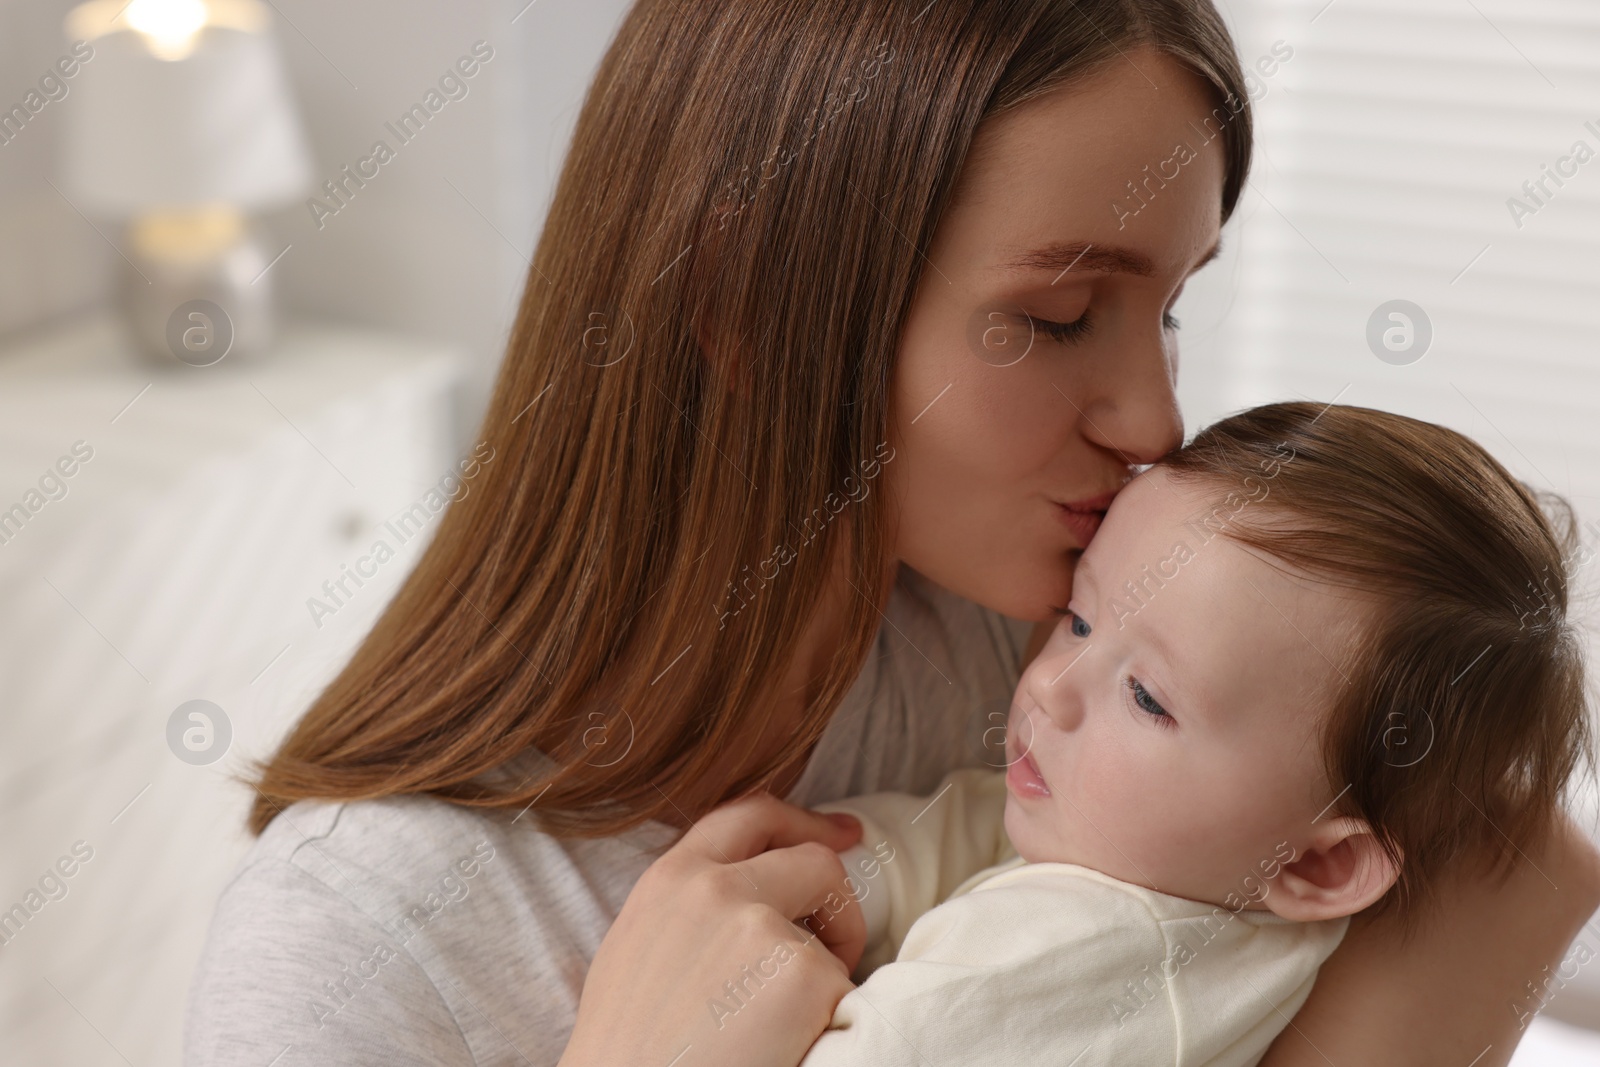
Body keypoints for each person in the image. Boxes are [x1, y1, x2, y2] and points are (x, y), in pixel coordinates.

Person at [182, 2, 1600, 1066]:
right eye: (1056, 319)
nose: (1157, 418)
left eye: (1169, 308)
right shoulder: (352, 950)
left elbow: (1523, 852)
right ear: (744, 307)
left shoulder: (1037, 630)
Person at [786, 402, 1593, 1065]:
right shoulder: (1149, 853)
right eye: (1079, 618)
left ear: (1320, 861)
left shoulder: (1091, 957)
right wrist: (851, 869)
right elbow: (967, 829)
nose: (1050, 687)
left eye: (1145, 696)